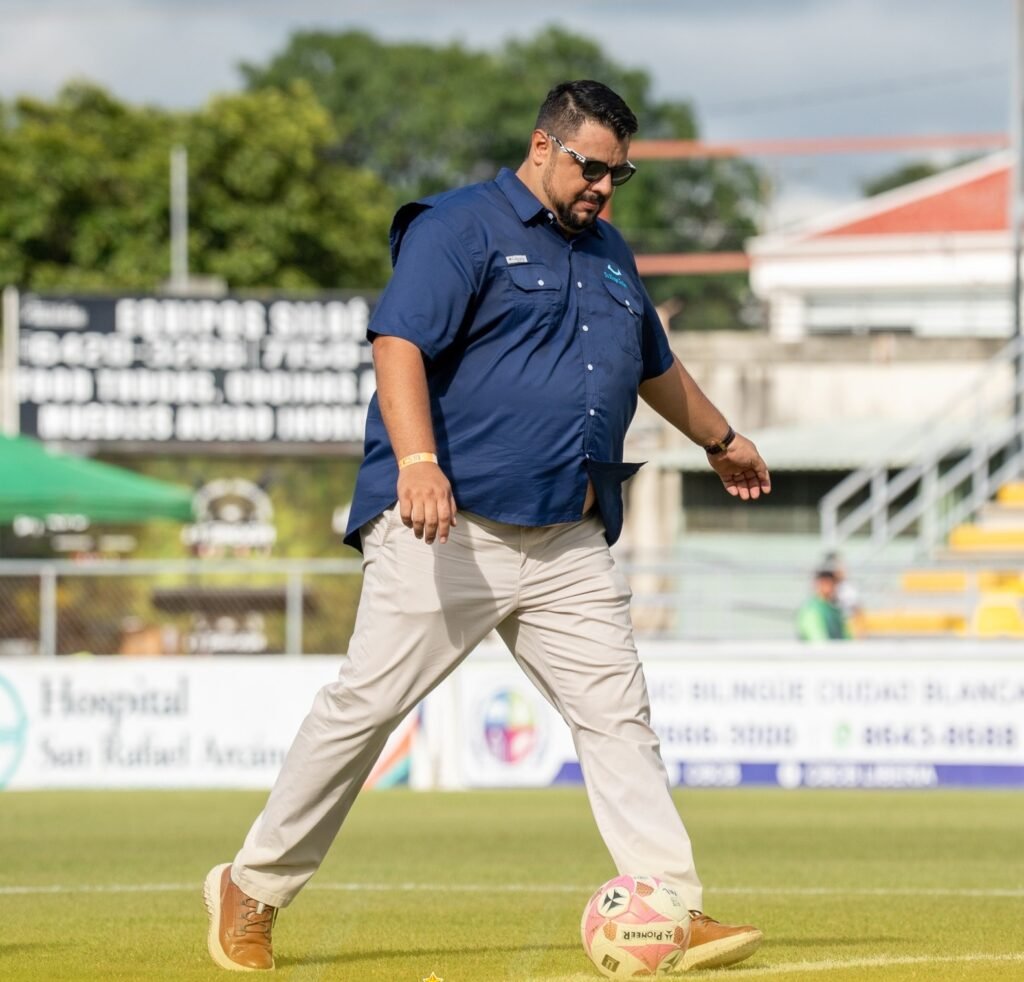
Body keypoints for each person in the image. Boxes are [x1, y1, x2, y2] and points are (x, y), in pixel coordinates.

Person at [204, 79, 772, 974]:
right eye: (592, 168)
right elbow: (399, 343)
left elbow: (654, 366)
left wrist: (722, 440)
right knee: (366, 710)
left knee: (618, 717)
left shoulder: (610, 252)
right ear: (543, 146)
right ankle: (252, 887)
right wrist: (417, 462)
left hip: (568, 538)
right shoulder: (458, 227)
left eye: (618, 174)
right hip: (448, 527)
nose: (604, 188)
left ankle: (669, 904)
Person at [796, 568, 852, 641]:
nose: (834, 587)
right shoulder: (812, 610)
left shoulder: (834, 609)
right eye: (829, 583)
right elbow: (818, 640)